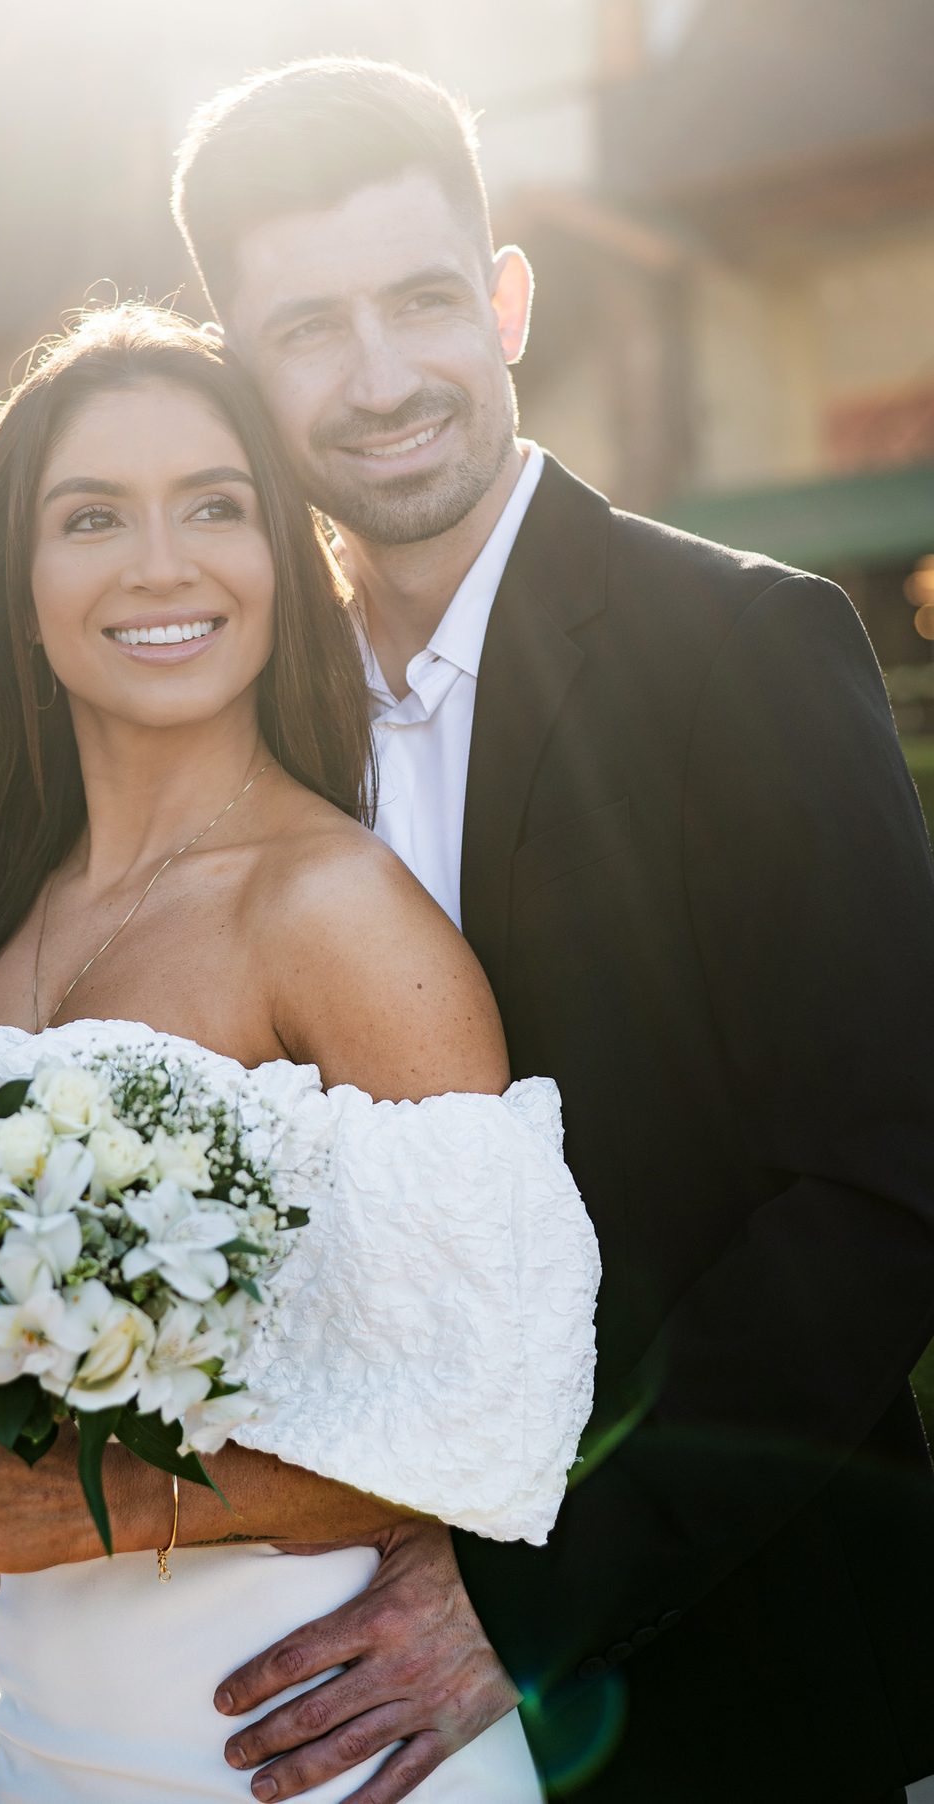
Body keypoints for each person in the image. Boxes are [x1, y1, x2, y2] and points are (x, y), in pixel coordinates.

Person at [154, 56, 934, 1804]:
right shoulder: (239, 719)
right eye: (309, 328)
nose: (381, 379)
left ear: (506, 303)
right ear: (240, 371)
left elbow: (887, 1192)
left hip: (731, 1683)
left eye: (423, 299)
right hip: (325, 1680)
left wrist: (526, 1600)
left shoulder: (745, 649)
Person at [0, 306, 601, 1803]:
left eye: (215, 506)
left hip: (318, 1751)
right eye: (93, 517)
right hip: (47, 1747)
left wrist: (109, 1505)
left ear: (281, 560)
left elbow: (500, 1411)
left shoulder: (338, 913)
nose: (161, 564)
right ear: (15, 586)